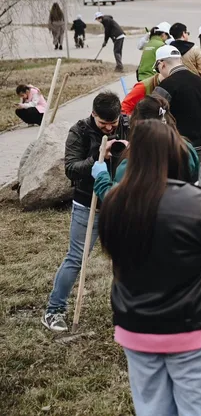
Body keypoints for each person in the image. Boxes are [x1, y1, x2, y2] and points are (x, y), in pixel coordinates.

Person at [97, 120, 201, 416]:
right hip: (193, 327)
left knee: (151, 409)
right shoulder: (194, 201)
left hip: (137, 328)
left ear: (134, 155)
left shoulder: (114, 202)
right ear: (174, 153)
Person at [41, 92, 130, 332]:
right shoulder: (79, 131)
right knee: (76, 258)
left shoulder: (127, 125)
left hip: (120, 204)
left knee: (127, 259)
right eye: (104, 124)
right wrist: (98, 158)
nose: (110, 129)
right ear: (93, 115)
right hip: (87, 204)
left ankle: (128, 309)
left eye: (114, 123)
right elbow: (71, 169)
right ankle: (54, 310)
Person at [95, 94, 200, 201]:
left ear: (138, 125)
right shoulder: (185, 147)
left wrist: (101, 176)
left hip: (146, 215)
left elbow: (117, 200)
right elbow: (196, 183)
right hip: (182, 211)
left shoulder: (134, 160)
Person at [155, 45, 201, 162]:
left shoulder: (165, 87)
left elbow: (154, 115)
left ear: (162, 64)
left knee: (183, 179)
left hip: (180, 146)